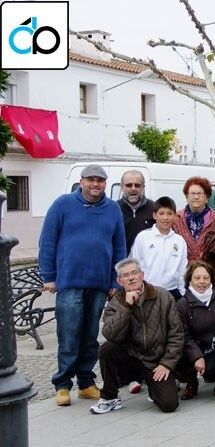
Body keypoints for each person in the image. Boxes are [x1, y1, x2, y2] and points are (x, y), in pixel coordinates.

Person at [38, 164, 126, 407]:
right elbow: (47, 242)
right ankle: (63, 384)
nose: (95, 184)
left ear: (105, 183)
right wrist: (49, 276)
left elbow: (119, 247)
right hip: (69, 283)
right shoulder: (62, 205)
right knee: (69, 336)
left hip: (99, 284)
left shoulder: (112, 209)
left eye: (100, 180)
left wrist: (115, 280)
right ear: (82, 181)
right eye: (91, 180)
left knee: (90, 337)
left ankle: (86, 383)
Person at [90, 258, 184, 414]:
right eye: (126, 275)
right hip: (131, 358)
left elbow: (177, 334)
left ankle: (155, 389)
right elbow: (111, 335)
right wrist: (126, 307)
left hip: (155, 361)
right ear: (119, 281)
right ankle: (110, 397)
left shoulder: (162, 296)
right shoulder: (116, 302)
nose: (131, 278)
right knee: (107, 349)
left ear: (142, 275)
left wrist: (167, 363)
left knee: (169, 405)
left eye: (134, 273)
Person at [175, 260, 215, 400]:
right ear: (189, 280)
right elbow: (184, 335)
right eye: (197, 278)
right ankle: (191, 381)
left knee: (210, 368)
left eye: (206, 277)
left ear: (211, 278)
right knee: (176, 359)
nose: (202, 282)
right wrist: (197, 356)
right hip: (193, 346)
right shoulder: (182, 304)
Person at [130, 196, 187, 301]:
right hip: (148, 290)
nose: (165, 218)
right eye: (161, 213)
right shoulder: (143, 237)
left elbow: (182, 270)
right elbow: (135, 265)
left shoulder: (179, 241)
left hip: (172, 292)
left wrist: (182, 293)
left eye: (169, 214)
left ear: (175, 216)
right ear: (154, 215)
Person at [172, 176, 215, 262]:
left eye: (199, 193)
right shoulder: (176, 218)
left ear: (206, 198)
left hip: (208, 267)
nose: (196, 197)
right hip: (183, 267)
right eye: (192, 193)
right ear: (187, 197)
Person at [117, 170, 154, 254]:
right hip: (121, 260)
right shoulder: (114, 209)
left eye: (137, 185)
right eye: (129, 185)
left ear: (143, 187)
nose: (133, 189)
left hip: (147, 260)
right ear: (122, 187)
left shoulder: (154, 209)